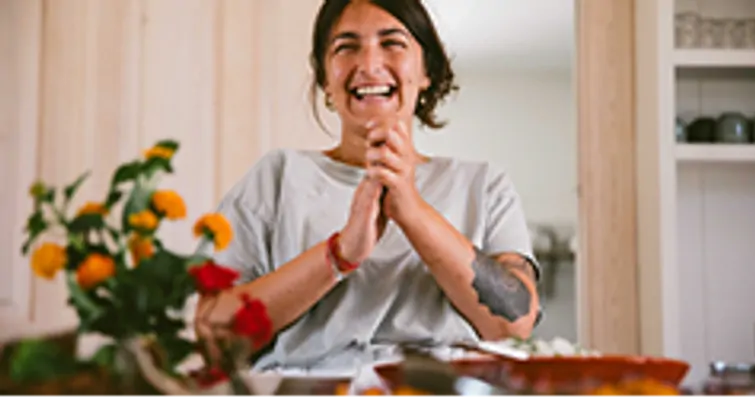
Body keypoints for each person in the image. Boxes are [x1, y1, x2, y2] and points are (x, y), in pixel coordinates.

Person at [195, 0, 542, 373]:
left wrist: (412, 210)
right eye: (346, 46)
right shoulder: (276, 177)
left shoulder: (483, 185)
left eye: (392, 42)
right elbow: (214, 336)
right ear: (326, 79)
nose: (369, 65)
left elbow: (513, 323)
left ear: (427, 71)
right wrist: (339, 254)